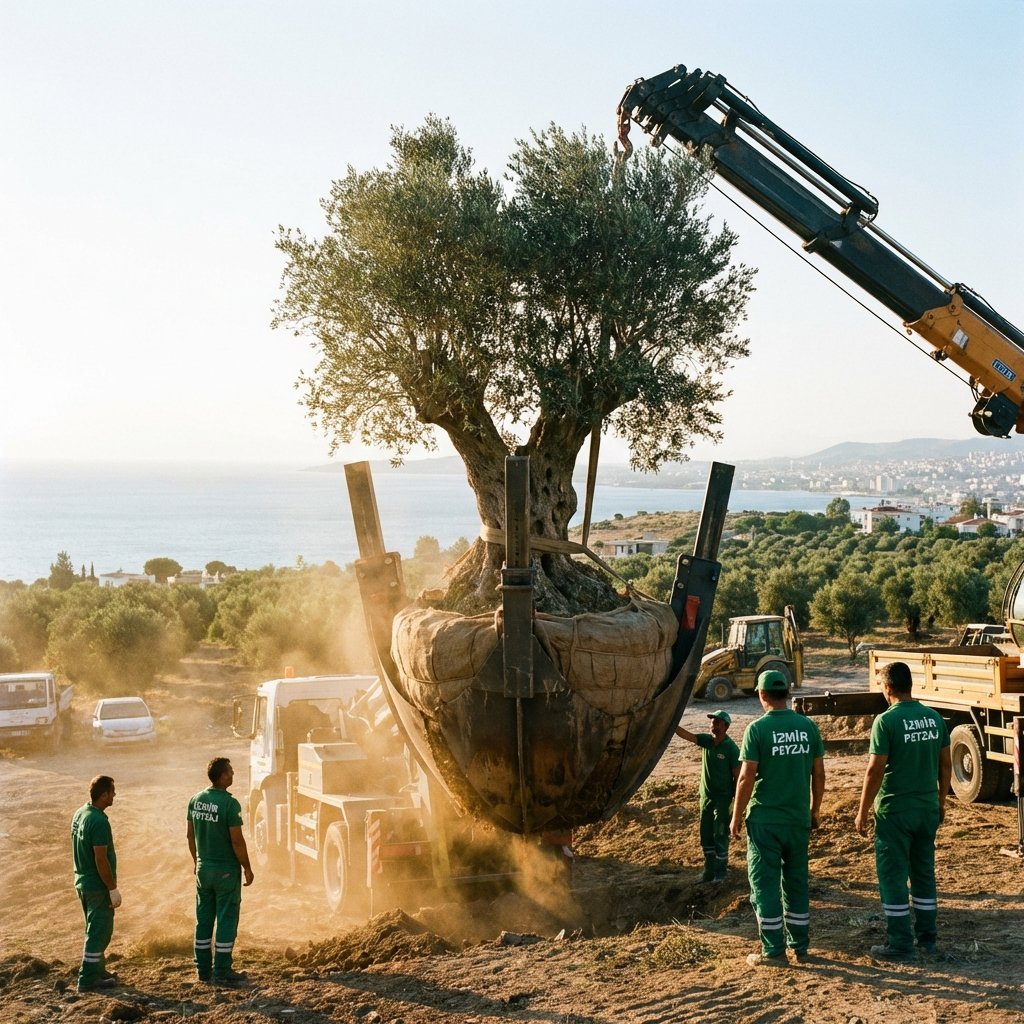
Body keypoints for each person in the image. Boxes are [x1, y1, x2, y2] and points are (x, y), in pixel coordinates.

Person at [854, 660, 951, 961]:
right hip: (926, 809)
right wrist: (941, 802)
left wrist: (861, 811)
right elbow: (945, 763)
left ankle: (899, 944)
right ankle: (928, 939)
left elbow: (874, 770)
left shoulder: (886, 722)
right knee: (923, 874)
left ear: (887, 688)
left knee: (894, 876)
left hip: (895, 811)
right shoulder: (934, 718)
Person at [730, 669, 825, 967]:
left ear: (761, 695)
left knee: (765, 884)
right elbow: (819, 773)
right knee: (796, 882)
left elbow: (746, 778)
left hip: (765, 822)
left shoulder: (756, 730)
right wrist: (814, 811)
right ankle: (801, 947)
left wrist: (736, 817)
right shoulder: (808, 727)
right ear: (787, 693)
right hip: (798, 820)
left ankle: (773, 952)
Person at [187, 757, 254, 986]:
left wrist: (197, 861)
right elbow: (237, 841)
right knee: (226, 919)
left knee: (203, 920)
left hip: (203, 871)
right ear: (222, 776)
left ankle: (202, 970)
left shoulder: (195, 800)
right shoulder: (229, 804)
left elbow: (190, 836)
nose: (233, 774)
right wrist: (247, 867)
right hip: (225, 872)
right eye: (230, 771)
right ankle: (222, 970)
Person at [675, 709, 740, 881]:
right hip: (706, 798)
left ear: (726, 726)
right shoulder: (707, 741)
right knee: (706, 833)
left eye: (717, 722)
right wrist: (670, 723)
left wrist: (736, 803)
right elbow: (687, 735)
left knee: (720, 833)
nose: (713, 725)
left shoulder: (731, 749)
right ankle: (708, 871)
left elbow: (738, 776)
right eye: (712, 722)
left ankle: (720, 872)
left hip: (723, 799)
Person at [71, 775, 122, 992]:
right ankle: (88, 979)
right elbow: (100, 859)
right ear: (103, 795)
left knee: (95, 928)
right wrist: (112, 888)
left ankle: (98, 970)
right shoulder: (99, 822)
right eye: (112, 791)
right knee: (99, 931)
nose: (114, 795)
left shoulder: (81, 813)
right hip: (96, 885)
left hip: (82, 881)